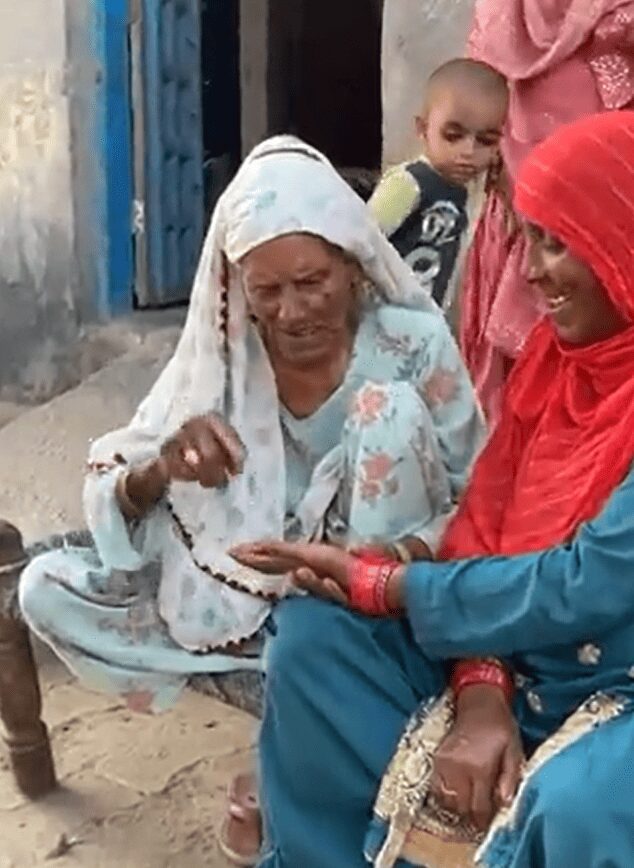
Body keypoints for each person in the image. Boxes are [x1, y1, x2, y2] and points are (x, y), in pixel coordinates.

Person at [18, 137, 484, 862]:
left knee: (386, 412)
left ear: (353, 265)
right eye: (267, 292)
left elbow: (479, 499)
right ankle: (290, 716)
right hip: (243, 610)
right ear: (238, 287)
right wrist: (164, 467)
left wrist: (389, 558)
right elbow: (119, 482)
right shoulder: (224, 358)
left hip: (369, 603)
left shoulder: (412, 345)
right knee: (44, 586)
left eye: (312, 281)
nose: (292, 312)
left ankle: (315, 712)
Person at [231, 112, 634, 867]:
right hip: (519, 650)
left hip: (620, 680)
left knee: (578, 800)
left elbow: (590, 580)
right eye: (526, 240)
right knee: (313, 645)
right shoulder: (555, 363)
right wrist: (482, 688)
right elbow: (487, 518)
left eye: (555, 242)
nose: (531, 272)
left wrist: (390, 585)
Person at [463, 0, 634, 423]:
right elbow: (473, 97)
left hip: (606, 218)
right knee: (531, 380)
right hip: (523, 215)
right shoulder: (502, 14)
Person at [369, 59, 508, 327]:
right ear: (422, 129)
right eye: (453, 135)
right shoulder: (408, 184)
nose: (468, 151)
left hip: (424, 327)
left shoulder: (467, 194)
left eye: (486, 141)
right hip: (383, 322)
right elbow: (360, 244)